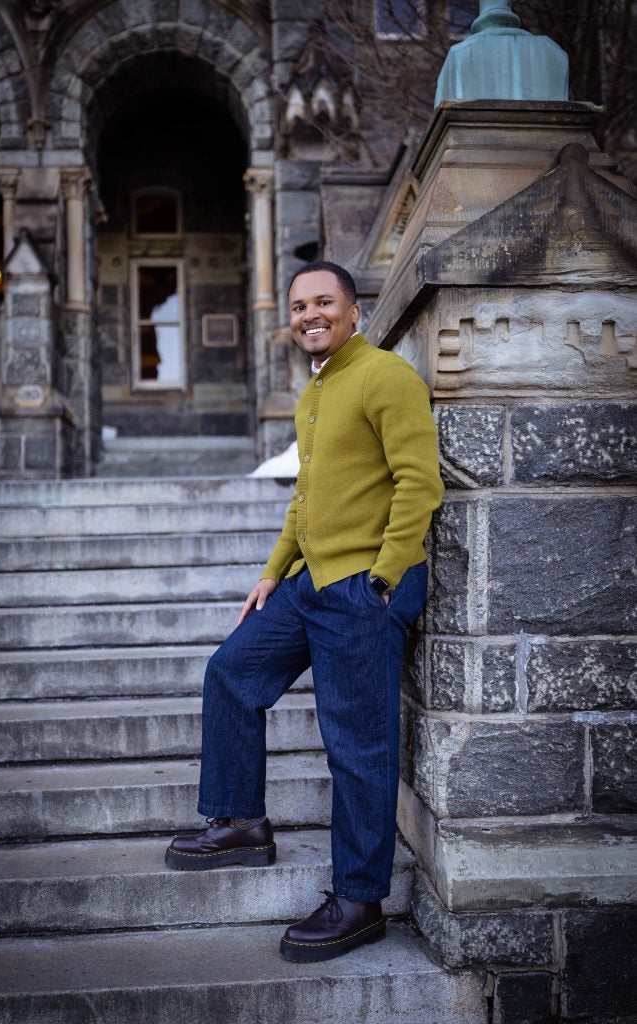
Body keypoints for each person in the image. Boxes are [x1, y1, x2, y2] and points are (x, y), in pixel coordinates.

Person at [164, 260, 443, 962]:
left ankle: (358, 898)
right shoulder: (316, 390)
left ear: (353, 311)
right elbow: (305, 497)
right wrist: (270, 574)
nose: (308, 314)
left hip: (362, 586)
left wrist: (383, 578)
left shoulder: (385, 376)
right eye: (298, 306)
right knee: (232, 672)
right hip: (310, 580)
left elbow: (419, 484)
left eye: (323, 302)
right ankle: (242, 823)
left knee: (357, 745)